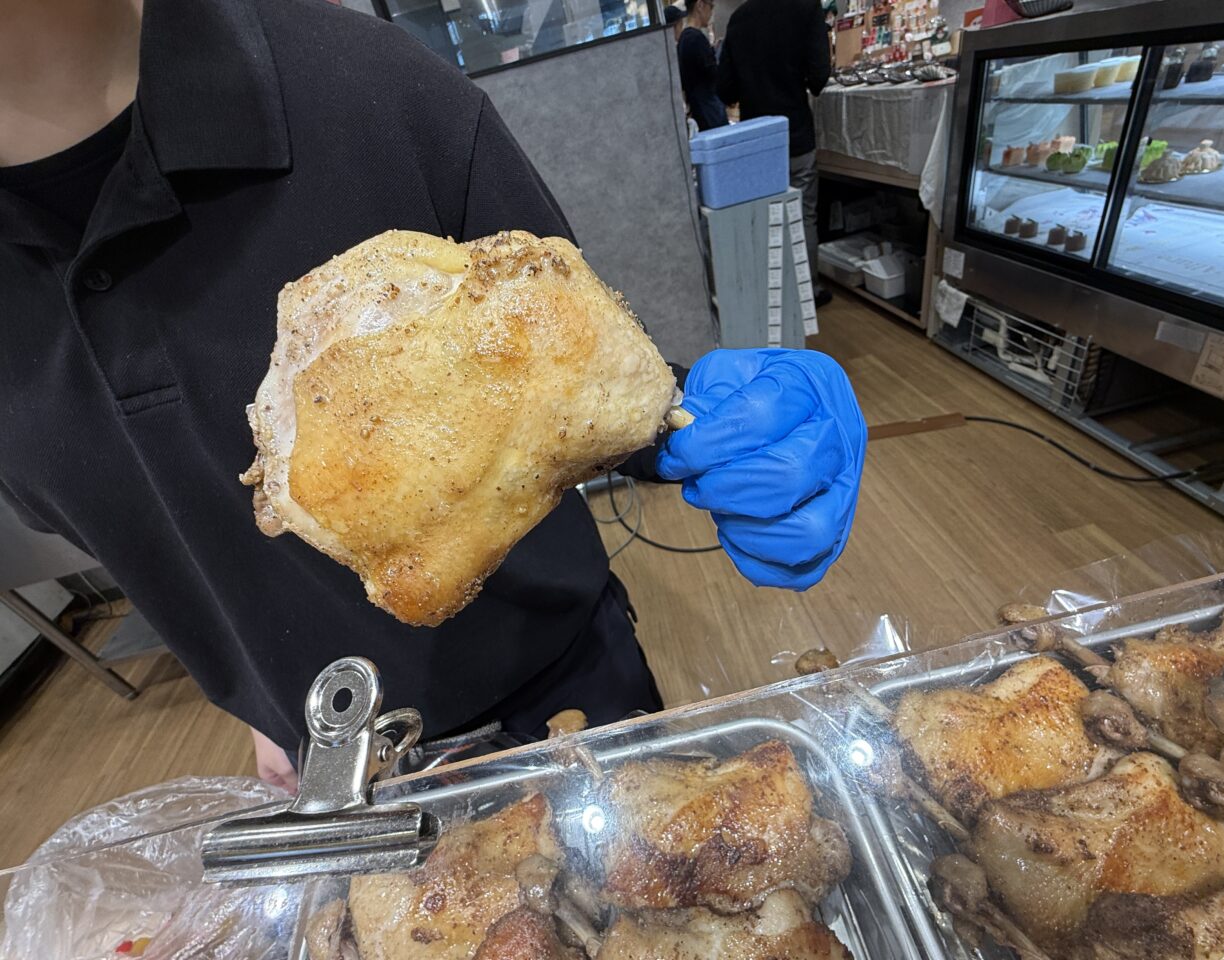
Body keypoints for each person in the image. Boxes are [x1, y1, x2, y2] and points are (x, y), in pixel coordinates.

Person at [0, 0, 865, 794]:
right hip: (322, 757)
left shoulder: (362, 88)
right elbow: (147, 514)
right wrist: (263, 693)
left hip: (562, 698)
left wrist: (737, 424)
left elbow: (577, 373)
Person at [716, 0, 833, 305]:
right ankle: (808, 294)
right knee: (802, 215)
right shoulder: (806, 8)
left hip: (755, 141)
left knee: (761, 217)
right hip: (794, 132)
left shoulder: (739, 18)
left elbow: (725, 88)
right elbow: (820, 75)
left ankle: (767, 296)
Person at [674, 0, 727, 133]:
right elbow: (714, 74)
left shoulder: (684, 40)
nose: (711, 12)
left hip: (699, 112)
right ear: (699, 5)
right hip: (711, 113)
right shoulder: (696, 39)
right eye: (711, 6)